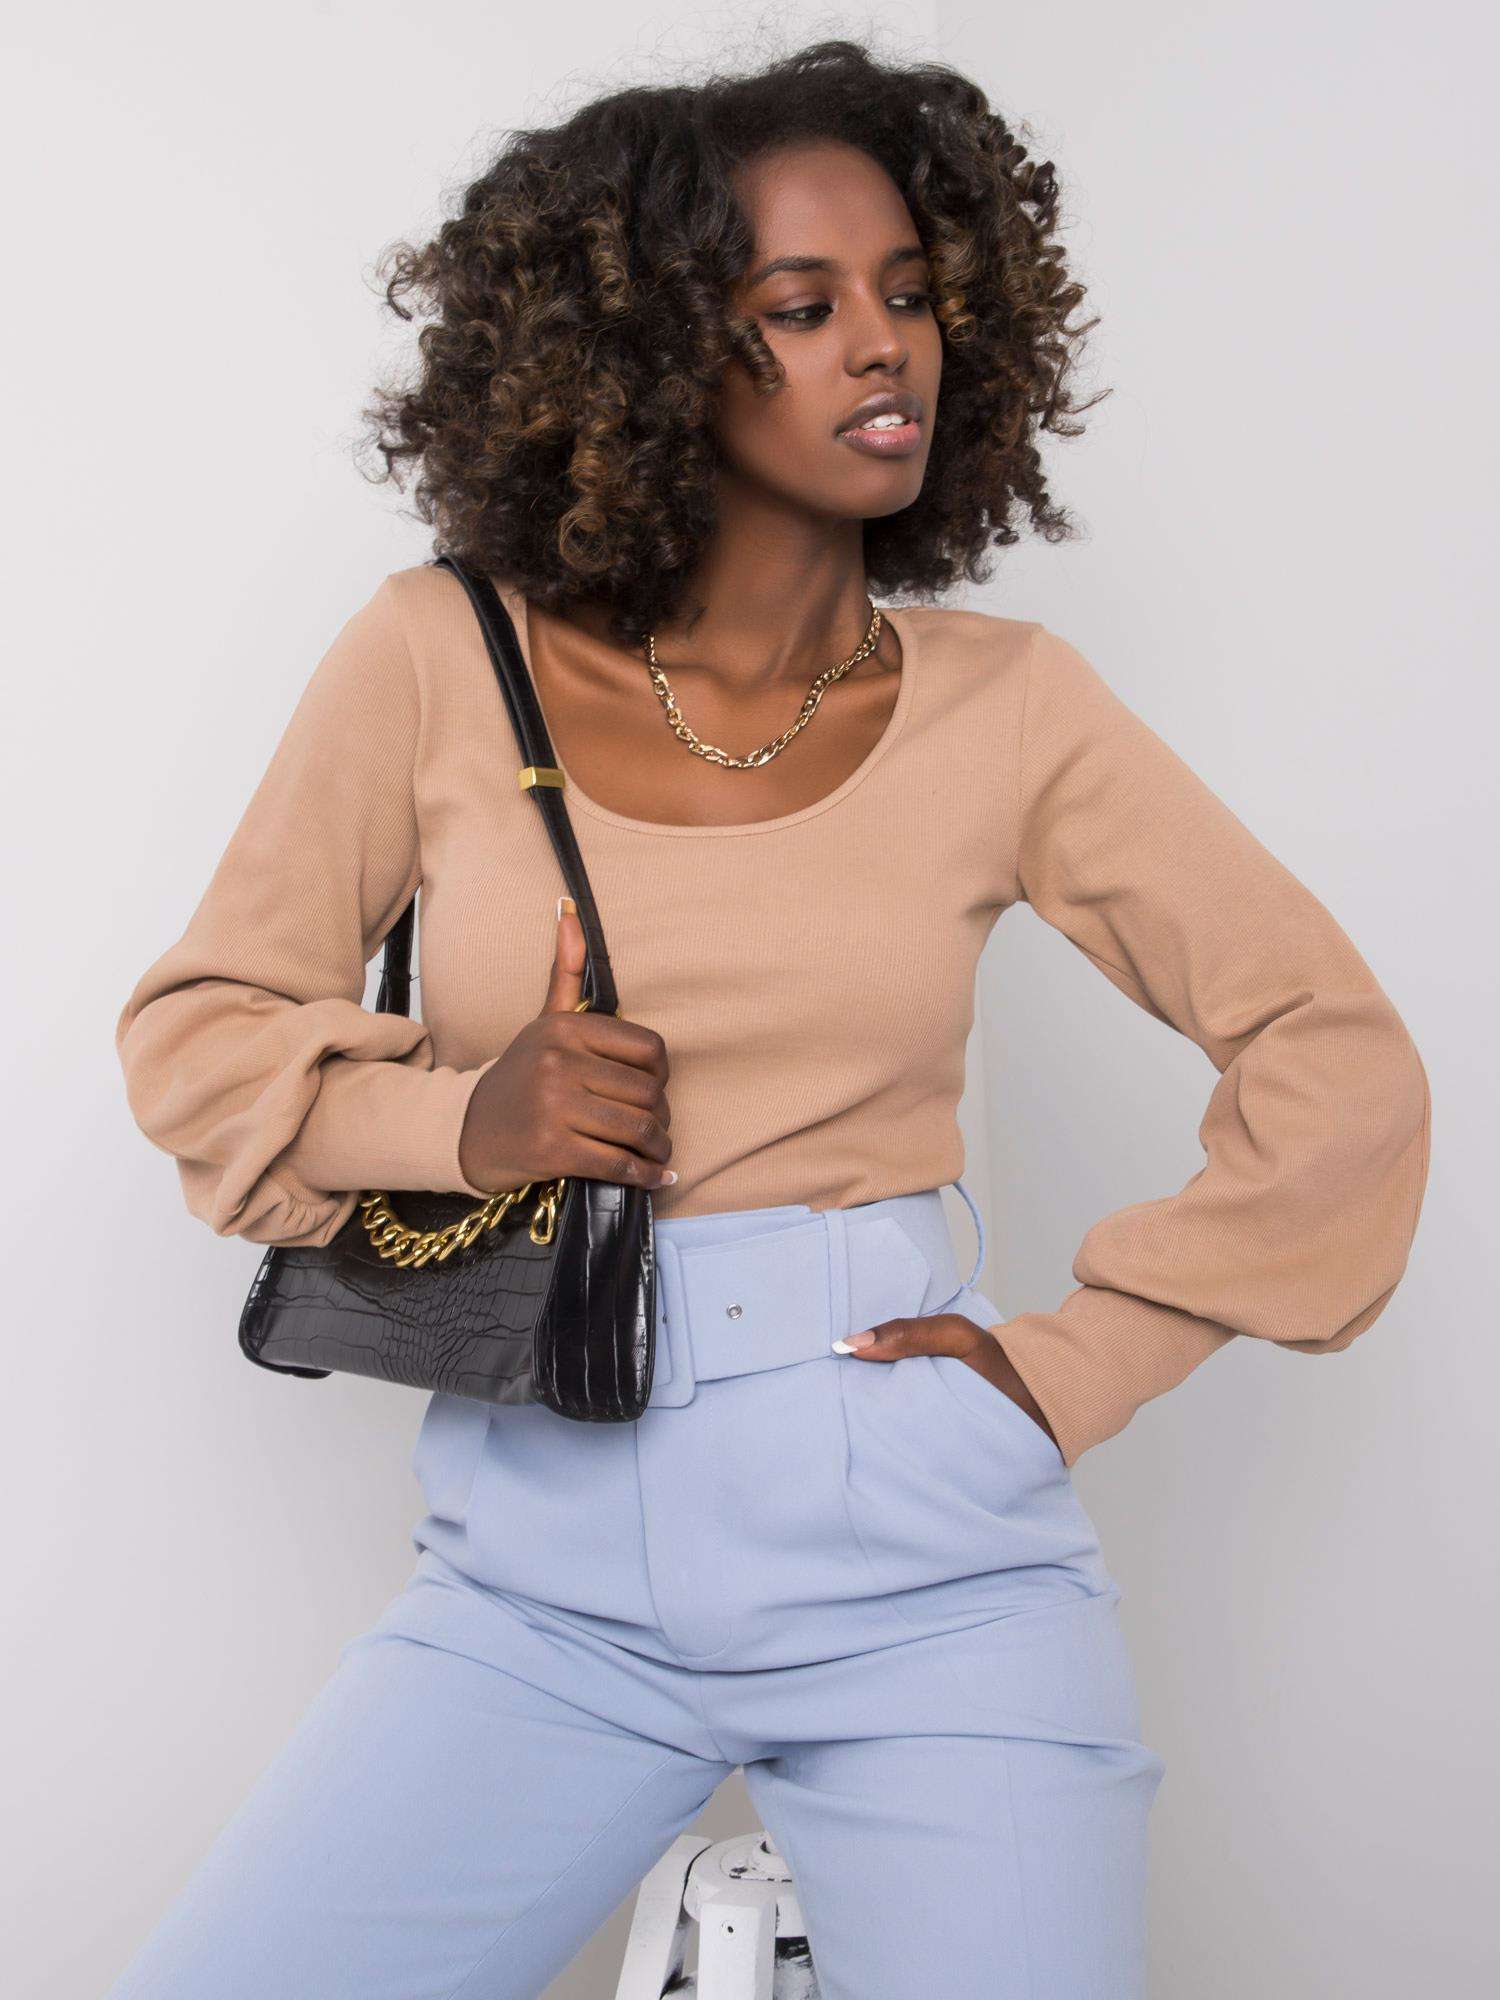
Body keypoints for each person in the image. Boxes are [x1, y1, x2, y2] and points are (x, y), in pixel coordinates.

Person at [106, 38, 1431, 2000]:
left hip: (924, 1558)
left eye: (909, 293)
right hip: (539, 1572)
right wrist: (463, 1123)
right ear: (647, 357)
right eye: (799, 310)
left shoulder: (1012, 705)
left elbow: (1337, 1053)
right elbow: (201, 1036)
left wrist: (1075, 1366)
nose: (882, 347)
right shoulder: (438, 656)